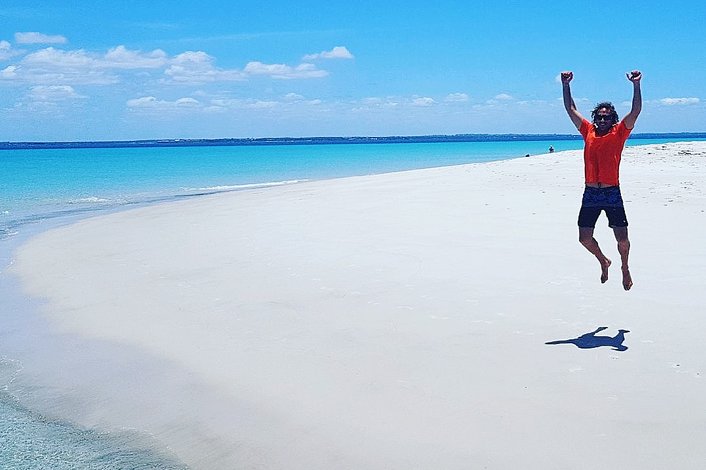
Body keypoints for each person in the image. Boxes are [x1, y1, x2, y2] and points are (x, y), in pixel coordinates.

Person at [560, 70, 642, 290]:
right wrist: (566, 85)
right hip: (591, 193)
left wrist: (636, 85)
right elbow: (570, 109)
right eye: (599, 117)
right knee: (584, 238)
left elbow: (635, 111)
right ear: (595, 118)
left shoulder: (619, 132)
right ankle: (603, 261)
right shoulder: (588, 130)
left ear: (613, 119)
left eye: (607, 117)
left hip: (611, 192)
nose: (603, 119)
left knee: (622, 239)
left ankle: (625, 267)